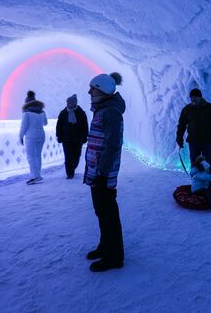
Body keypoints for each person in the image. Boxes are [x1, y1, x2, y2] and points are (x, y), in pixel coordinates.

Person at [83, 72, 126, 272]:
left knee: (108, 213)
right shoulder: (102, 109)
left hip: (103, 174)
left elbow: (112, 145)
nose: (89, 91)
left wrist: (102, 173)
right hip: (97, 172)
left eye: (93, 88)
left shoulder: (110, 112)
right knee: (101, 212)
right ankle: (105, 246)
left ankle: (114, 256)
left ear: (101, 90)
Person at [176, 88, 211, 165]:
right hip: (193, 141)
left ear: (200, 97)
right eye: (192, 97)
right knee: (194, 163)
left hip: (207, 141)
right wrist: (179, 138)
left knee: (208, 163)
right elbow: (181, 125)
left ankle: (207, 176)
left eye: (195, 97)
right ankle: (195, 176)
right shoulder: (187, 109)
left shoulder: (210, 108)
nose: (193, 99)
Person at [56, 94, 89, 179]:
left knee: (77, 155)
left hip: (78, 139)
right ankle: (69, 173)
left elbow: (85, 125)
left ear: (74, 103)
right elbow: (59, 125)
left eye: (70, 102)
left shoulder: (81, 113)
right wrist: (59, 136)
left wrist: (85, 136)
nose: (68, 104)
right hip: (66, 139)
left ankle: (72, 167)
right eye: (68, 102)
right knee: (68, 156)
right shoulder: (63, 113)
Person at [19, 90, 48, 185]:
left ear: (27, 103)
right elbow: (45, 123)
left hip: (31, 137)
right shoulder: (42, 111)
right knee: (38, 155)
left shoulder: (26, 113)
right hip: (41, 135)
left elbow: (24, 127)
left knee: (30, 156)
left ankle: (34, 176)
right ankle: (37, 175)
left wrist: (20, 136)